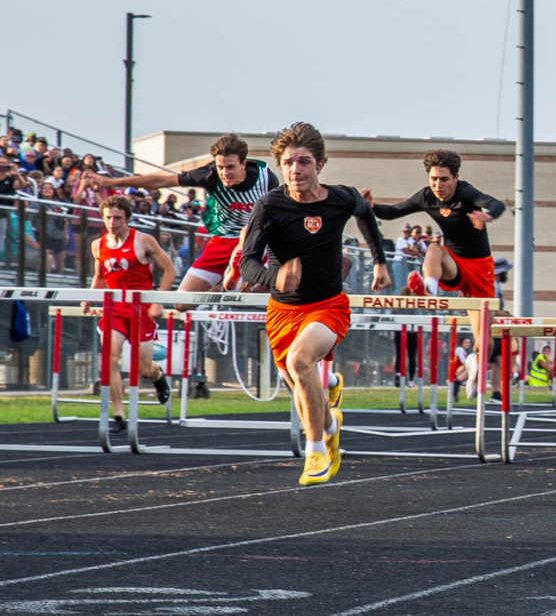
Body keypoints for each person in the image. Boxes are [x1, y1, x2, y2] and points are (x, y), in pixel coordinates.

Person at [239, 122, 389, 486]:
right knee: (303, 394)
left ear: (320, 164)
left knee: (300, 360)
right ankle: (331, 425)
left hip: (328, 306)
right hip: (283, 311)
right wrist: (274, 278)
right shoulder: (269, 206)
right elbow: (247, 262)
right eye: (289, 163)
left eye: (304, 162)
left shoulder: (341, 198)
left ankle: (315, 453)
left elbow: (365, 213)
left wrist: (380, 262)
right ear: (281, 166)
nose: (296, 170)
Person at [361, 149, 505, 389]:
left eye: (444, 179)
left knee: (485, 341)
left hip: (480, 268)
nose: (438, 185)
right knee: (434, 248)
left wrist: (486, 216)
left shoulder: (466, 193)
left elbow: (496, 204)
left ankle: (473, 366)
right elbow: (394, 212)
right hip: (453, 263)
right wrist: (372, 206)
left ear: (456, 178)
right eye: (434, 179)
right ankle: (429, 288)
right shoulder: (426, 197)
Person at [96, 134, 277, 307]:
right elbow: (161, 181)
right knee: (182, 302)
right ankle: (220, 284)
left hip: (257, 240)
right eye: (220, 167)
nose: (224, 173)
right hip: (222, 241)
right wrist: (113, 182)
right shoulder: (208, 175)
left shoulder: (265, 178)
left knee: (249, 233)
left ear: (243, 164)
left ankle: (242, 271)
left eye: (230, 167)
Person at [81, 195, 174, 433]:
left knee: (143, 369)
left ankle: (157, 375)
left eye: (117, 218)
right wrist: (90, 297)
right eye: (108, 218)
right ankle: (119, 416)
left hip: (141, 308)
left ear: (127, 219)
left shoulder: (143, 240)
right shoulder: (98, 245)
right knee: (110, 358)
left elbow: (169, 269)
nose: (112, 223)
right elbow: (100, 276)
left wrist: (158, 301)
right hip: (115, 308)